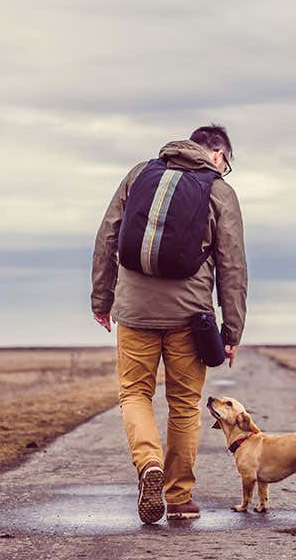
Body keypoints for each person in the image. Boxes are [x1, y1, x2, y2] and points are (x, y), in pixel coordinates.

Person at [91, 124, 248, 523]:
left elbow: (107, 236)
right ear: (218, 155)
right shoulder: (218, 191)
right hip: (190, 317)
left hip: (134, 312)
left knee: (135, 394)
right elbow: (232, 266)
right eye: (226, 163)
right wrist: (232, 332)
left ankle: (148, 465)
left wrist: (102, 299)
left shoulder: (139, 174)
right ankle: (178, 497)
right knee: (183, 405)